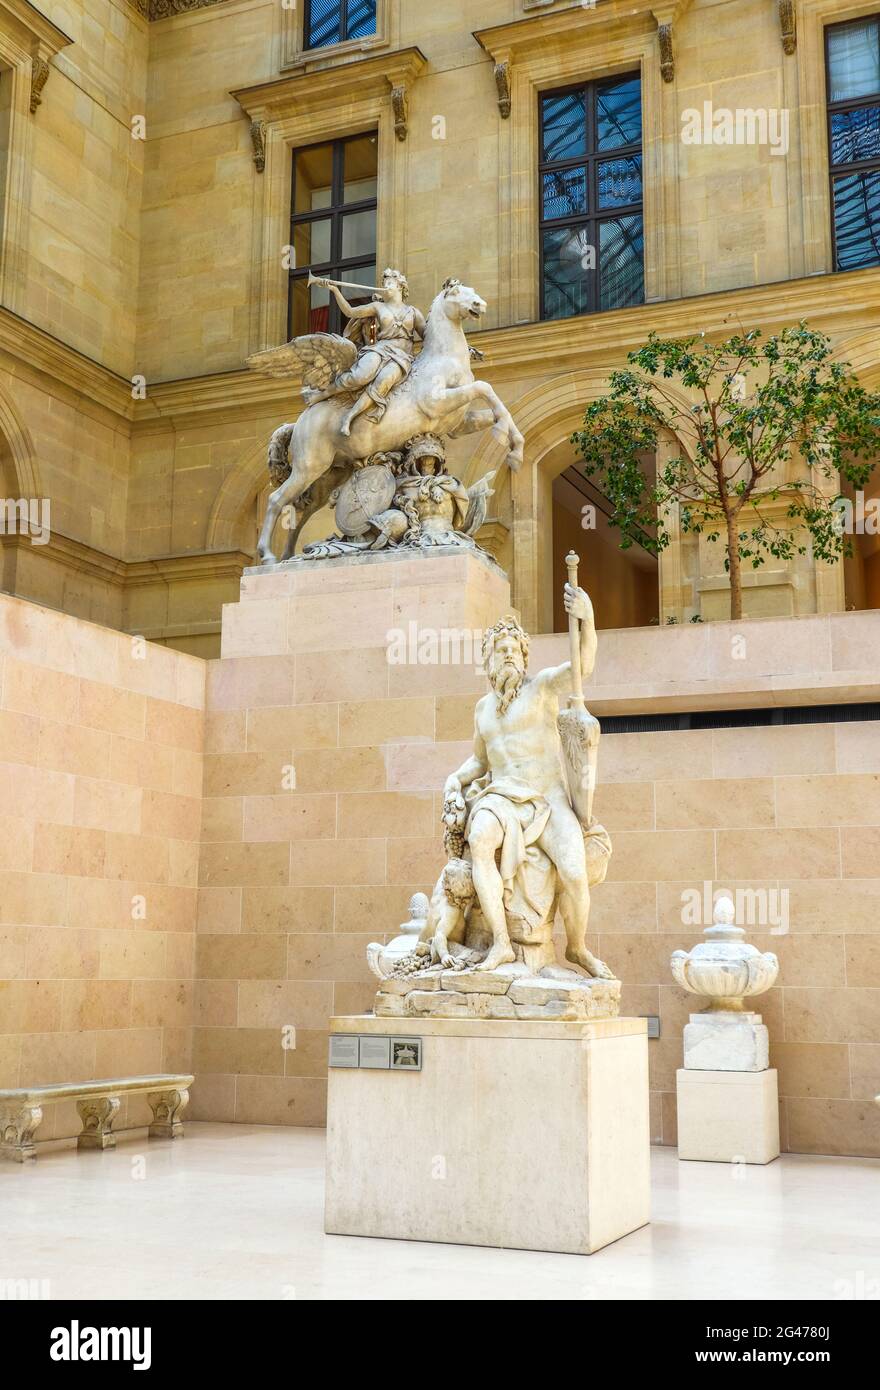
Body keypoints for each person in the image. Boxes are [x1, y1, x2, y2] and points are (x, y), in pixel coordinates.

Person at [305, 268, 425, 436]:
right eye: (384, 283)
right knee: (360, 375)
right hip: (380, 349)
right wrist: (334, 290)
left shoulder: (413, 312)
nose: (386, 286)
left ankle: (350, 416)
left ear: (400, 286)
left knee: (383, 382)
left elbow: (428, 335)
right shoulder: (377, 306)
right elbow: (350, 312)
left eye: (390, 283)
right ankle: (323, 393)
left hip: (401, 358)